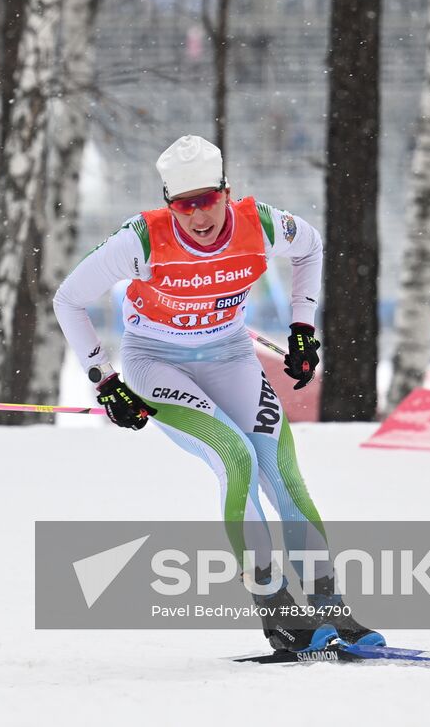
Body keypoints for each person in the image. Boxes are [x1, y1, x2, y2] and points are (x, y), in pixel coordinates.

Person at [52, 134, 382, 653]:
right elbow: (68, 299)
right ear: (169, 204)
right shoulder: (139, 240)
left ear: (227, 191)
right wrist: (105, 380)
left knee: (282, 472)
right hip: (156, 363)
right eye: (185, 205)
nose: (199, 216)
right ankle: (277, 614)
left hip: (230, 355)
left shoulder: (262, 223)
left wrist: (303, 327)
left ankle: (330, 609)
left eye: (208, 200)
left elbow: (311, 247)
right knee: (236, 459)